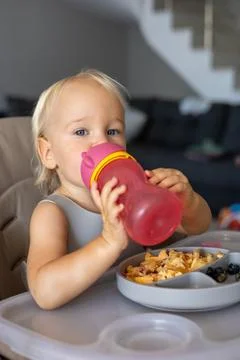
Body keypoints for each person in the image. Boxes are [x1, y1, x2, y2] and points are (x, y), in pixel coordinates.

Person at [27, 69, 212, 310]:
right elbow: (44, 293)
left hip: (137, 313)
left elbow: (199, 227)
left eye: (112, 131)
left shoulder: (133, 195)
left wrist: (187, 202)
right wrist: (107, 243)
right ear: (49, 154)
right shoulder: (53, 213)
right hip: (84, 329)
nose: (103, 143)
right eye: (81, 131)